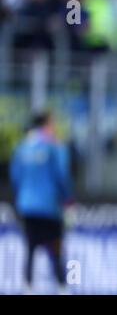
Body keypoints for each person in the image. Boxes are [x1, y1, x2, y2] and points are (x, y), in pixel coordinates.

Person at [10, 111, 72, 294]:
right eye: (53, 124)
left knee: (30, 247)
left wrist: (23, 198)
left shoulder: (21, 148)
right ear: (45, 125)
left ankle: (27, 288)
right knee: (56, 247)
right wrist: (68, 200)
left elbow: (15, 178)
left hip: (27, 206)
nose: (55, 128)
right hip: (49, 207)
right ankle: (62, 288)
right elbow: (61, 176)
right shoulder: (52, 147)